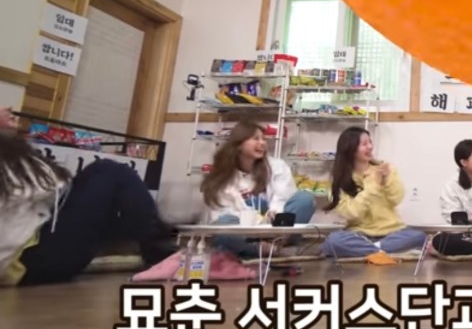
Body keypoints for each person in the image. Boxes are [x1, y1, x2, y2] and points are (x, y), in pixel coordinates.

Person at [0, 107, 176, 286]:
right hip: (30, 262)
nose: (7, 108)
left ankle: (167, 251)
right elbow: (44, 190)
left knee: (112, 190)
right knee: (110, 172)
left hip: (38, 247)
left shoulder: (12, 155)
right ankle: (165, 257)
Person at [199, 119, 316, 258]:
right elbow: (222, 214)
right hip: (244, 231)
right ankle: (261, 249)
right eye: (256, 139)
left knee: (305, 199)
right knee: (224, 226)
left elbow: (283, 195)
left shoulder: (276, 166)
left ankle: (276, 245)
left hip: (275, 228)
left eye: (263, 139)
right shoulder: (223, 174)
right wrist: (252, 222)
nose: (262, 143)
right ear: (239, 144)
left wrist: (275, 212)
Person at [320, 127, 426, 258]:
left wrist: (387, 181)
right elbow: (351, 213)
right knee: (334, 241)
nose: (370, 147)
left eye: (370, 142)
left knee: (419, 237)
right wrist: (371, 188)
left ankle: (372, 250)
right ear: (350, 148)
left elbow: (397, 199)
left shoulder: (384, 169)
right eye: (364, 144)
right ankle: (383, 251)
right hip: (359, 234)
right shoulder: (339, 180)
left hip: (393, 232)